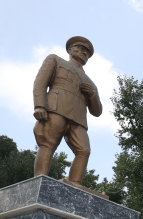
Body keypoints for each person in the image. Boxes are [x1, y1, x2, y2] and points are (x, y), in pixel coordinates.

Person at [33, 37, 102, 188]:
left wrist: (92, 93)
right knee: (48, 143)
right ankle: (39, 180)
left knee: (84, 150)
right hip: (56, 109)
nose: (83, 52)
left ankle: (75, 183)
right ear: (70, 50)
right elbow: (40, 82)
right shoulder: (55, 60)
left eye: (87, 52)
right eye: (79, 48)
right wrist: (40, 106)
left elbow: (97, 111)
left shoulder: (90, 82)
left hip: (78, 118)